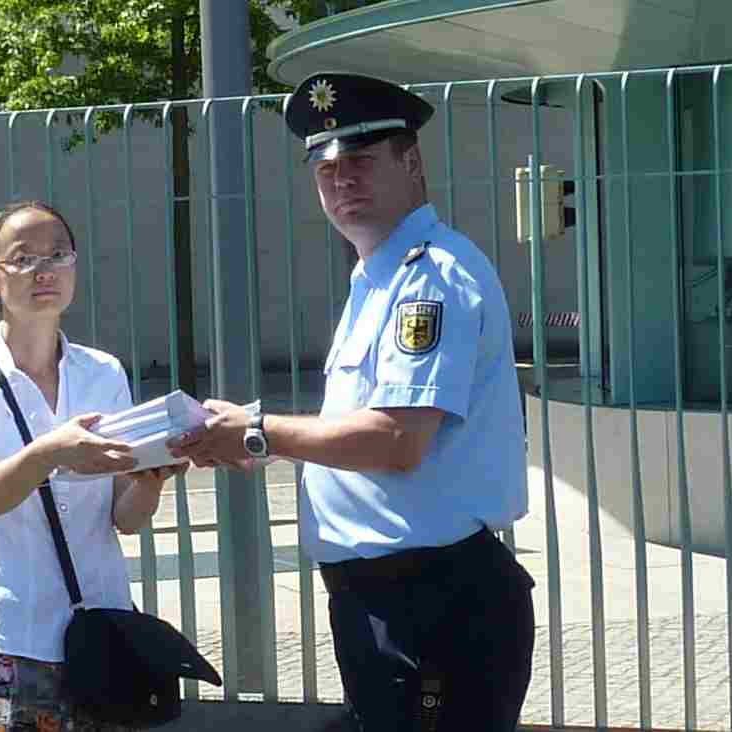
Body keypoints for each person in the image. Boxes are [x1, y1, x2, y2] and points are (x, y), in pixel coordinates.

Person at [170, 73, 535, 731]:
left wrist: (258, 431)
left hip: (431, 601)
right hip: (391, 598)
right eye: (326, 169)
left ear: (411, 163)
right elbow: (361, 431)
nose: (342, 181)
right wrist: (253, 436)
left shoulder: (429, 278)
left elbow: (396, 440)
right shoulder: (381, 277)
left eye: (361, 162)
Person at [0, 200, 185, 731]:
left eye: (59, 255)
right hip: (6, 638)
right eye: (23, 259)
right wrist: (51, 451)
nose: (44, 271)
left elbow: (126, 518)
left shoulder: (103, 372)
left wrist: (150, 478)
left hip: (100, 630)